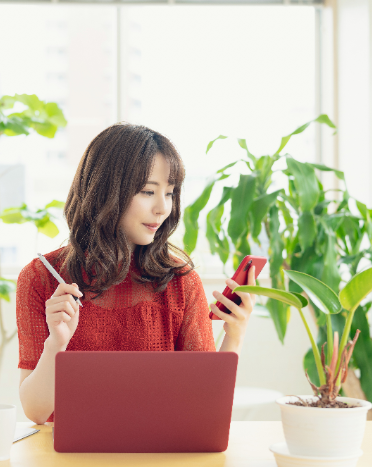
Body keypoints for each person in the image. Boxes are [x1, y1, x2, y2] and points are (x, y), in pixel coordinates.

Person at [17, 123, 256, 425]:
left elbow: (204, 407)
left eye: (169, 193)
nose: (162, 208)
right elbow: (36, 412)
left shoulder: (180, 281)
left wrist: (234, 335)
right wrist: (57, 344)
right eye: (147, 191)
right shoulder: (41, 279)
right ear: (104, 190)